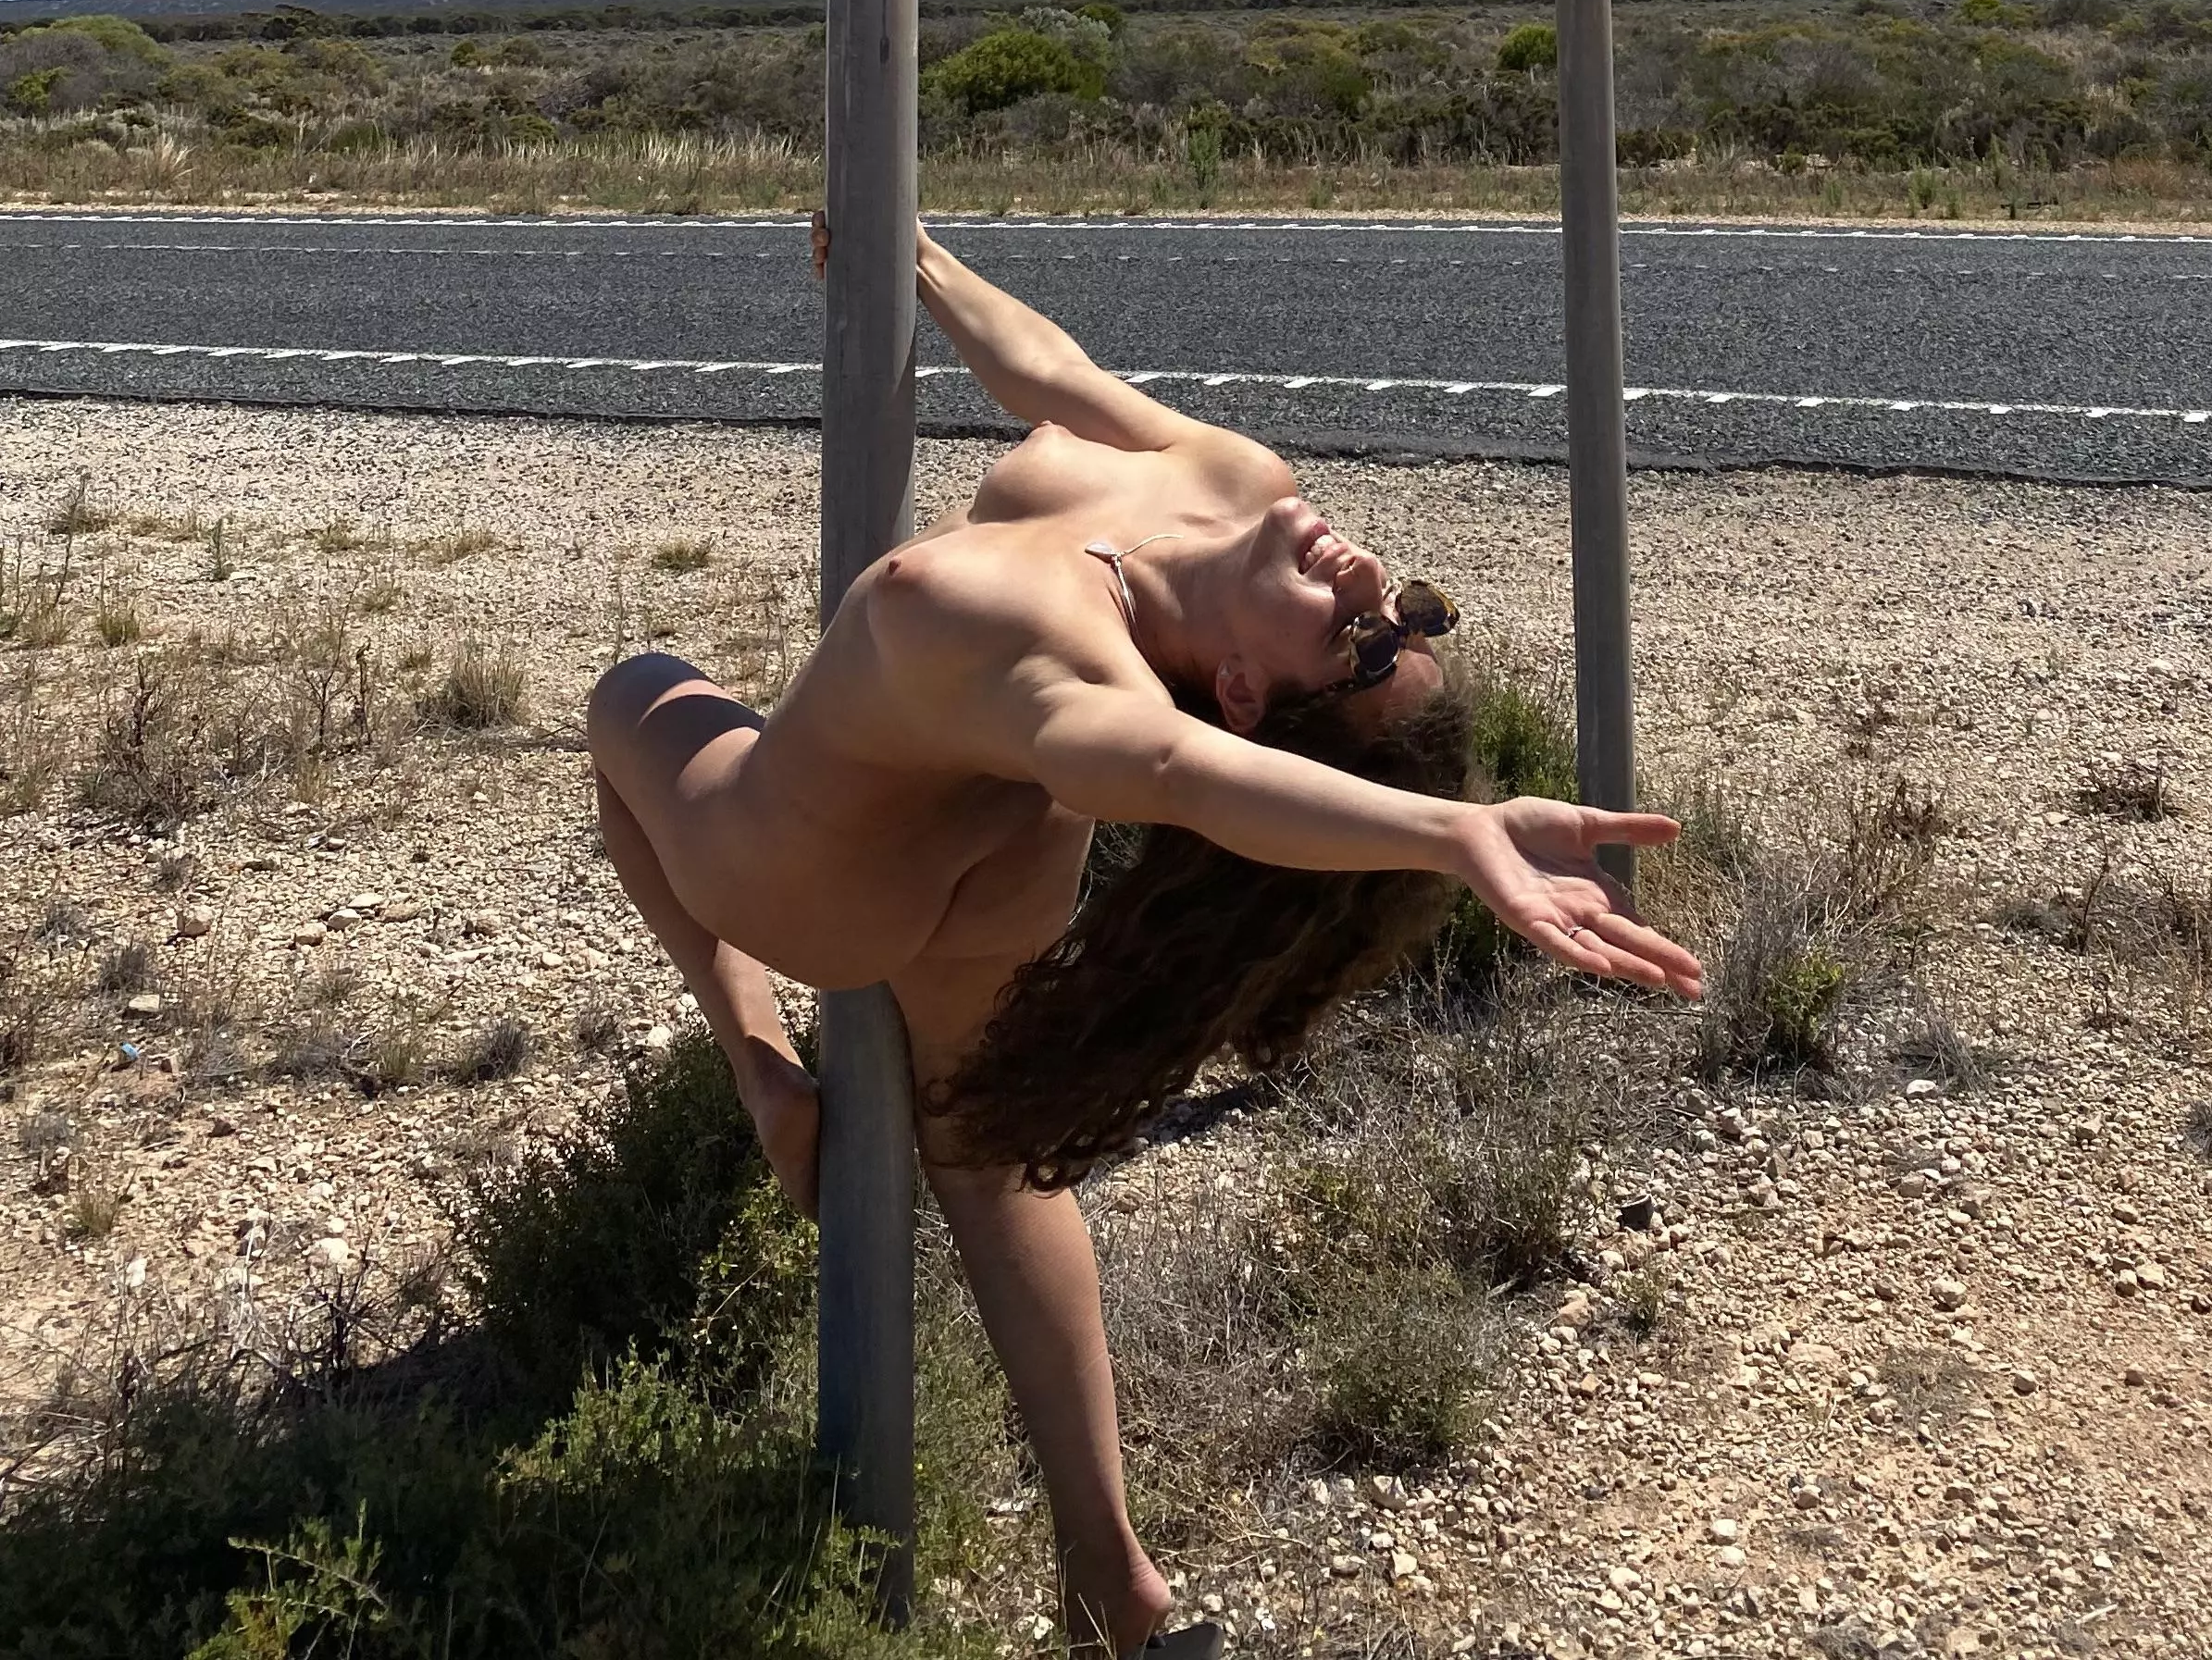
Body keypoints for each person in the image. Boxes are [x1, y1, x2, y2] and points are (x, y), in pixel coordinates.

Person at [587, 218, 1698, 1660]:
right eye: (1408, 610)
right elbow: (1057, 376)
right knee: (984, 1162)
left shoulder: (1086, 677)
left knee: (631, 700)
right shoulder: (1238, 485)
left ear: (1240, 687)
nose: (1373, 589)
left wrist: (1447, 835)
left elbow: (1179, 780)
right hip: (994, 859)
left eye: (1358, 647)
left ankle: (760, 1075)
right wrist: (908, 261)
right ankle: (1119, 1589)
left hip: (821, 876)